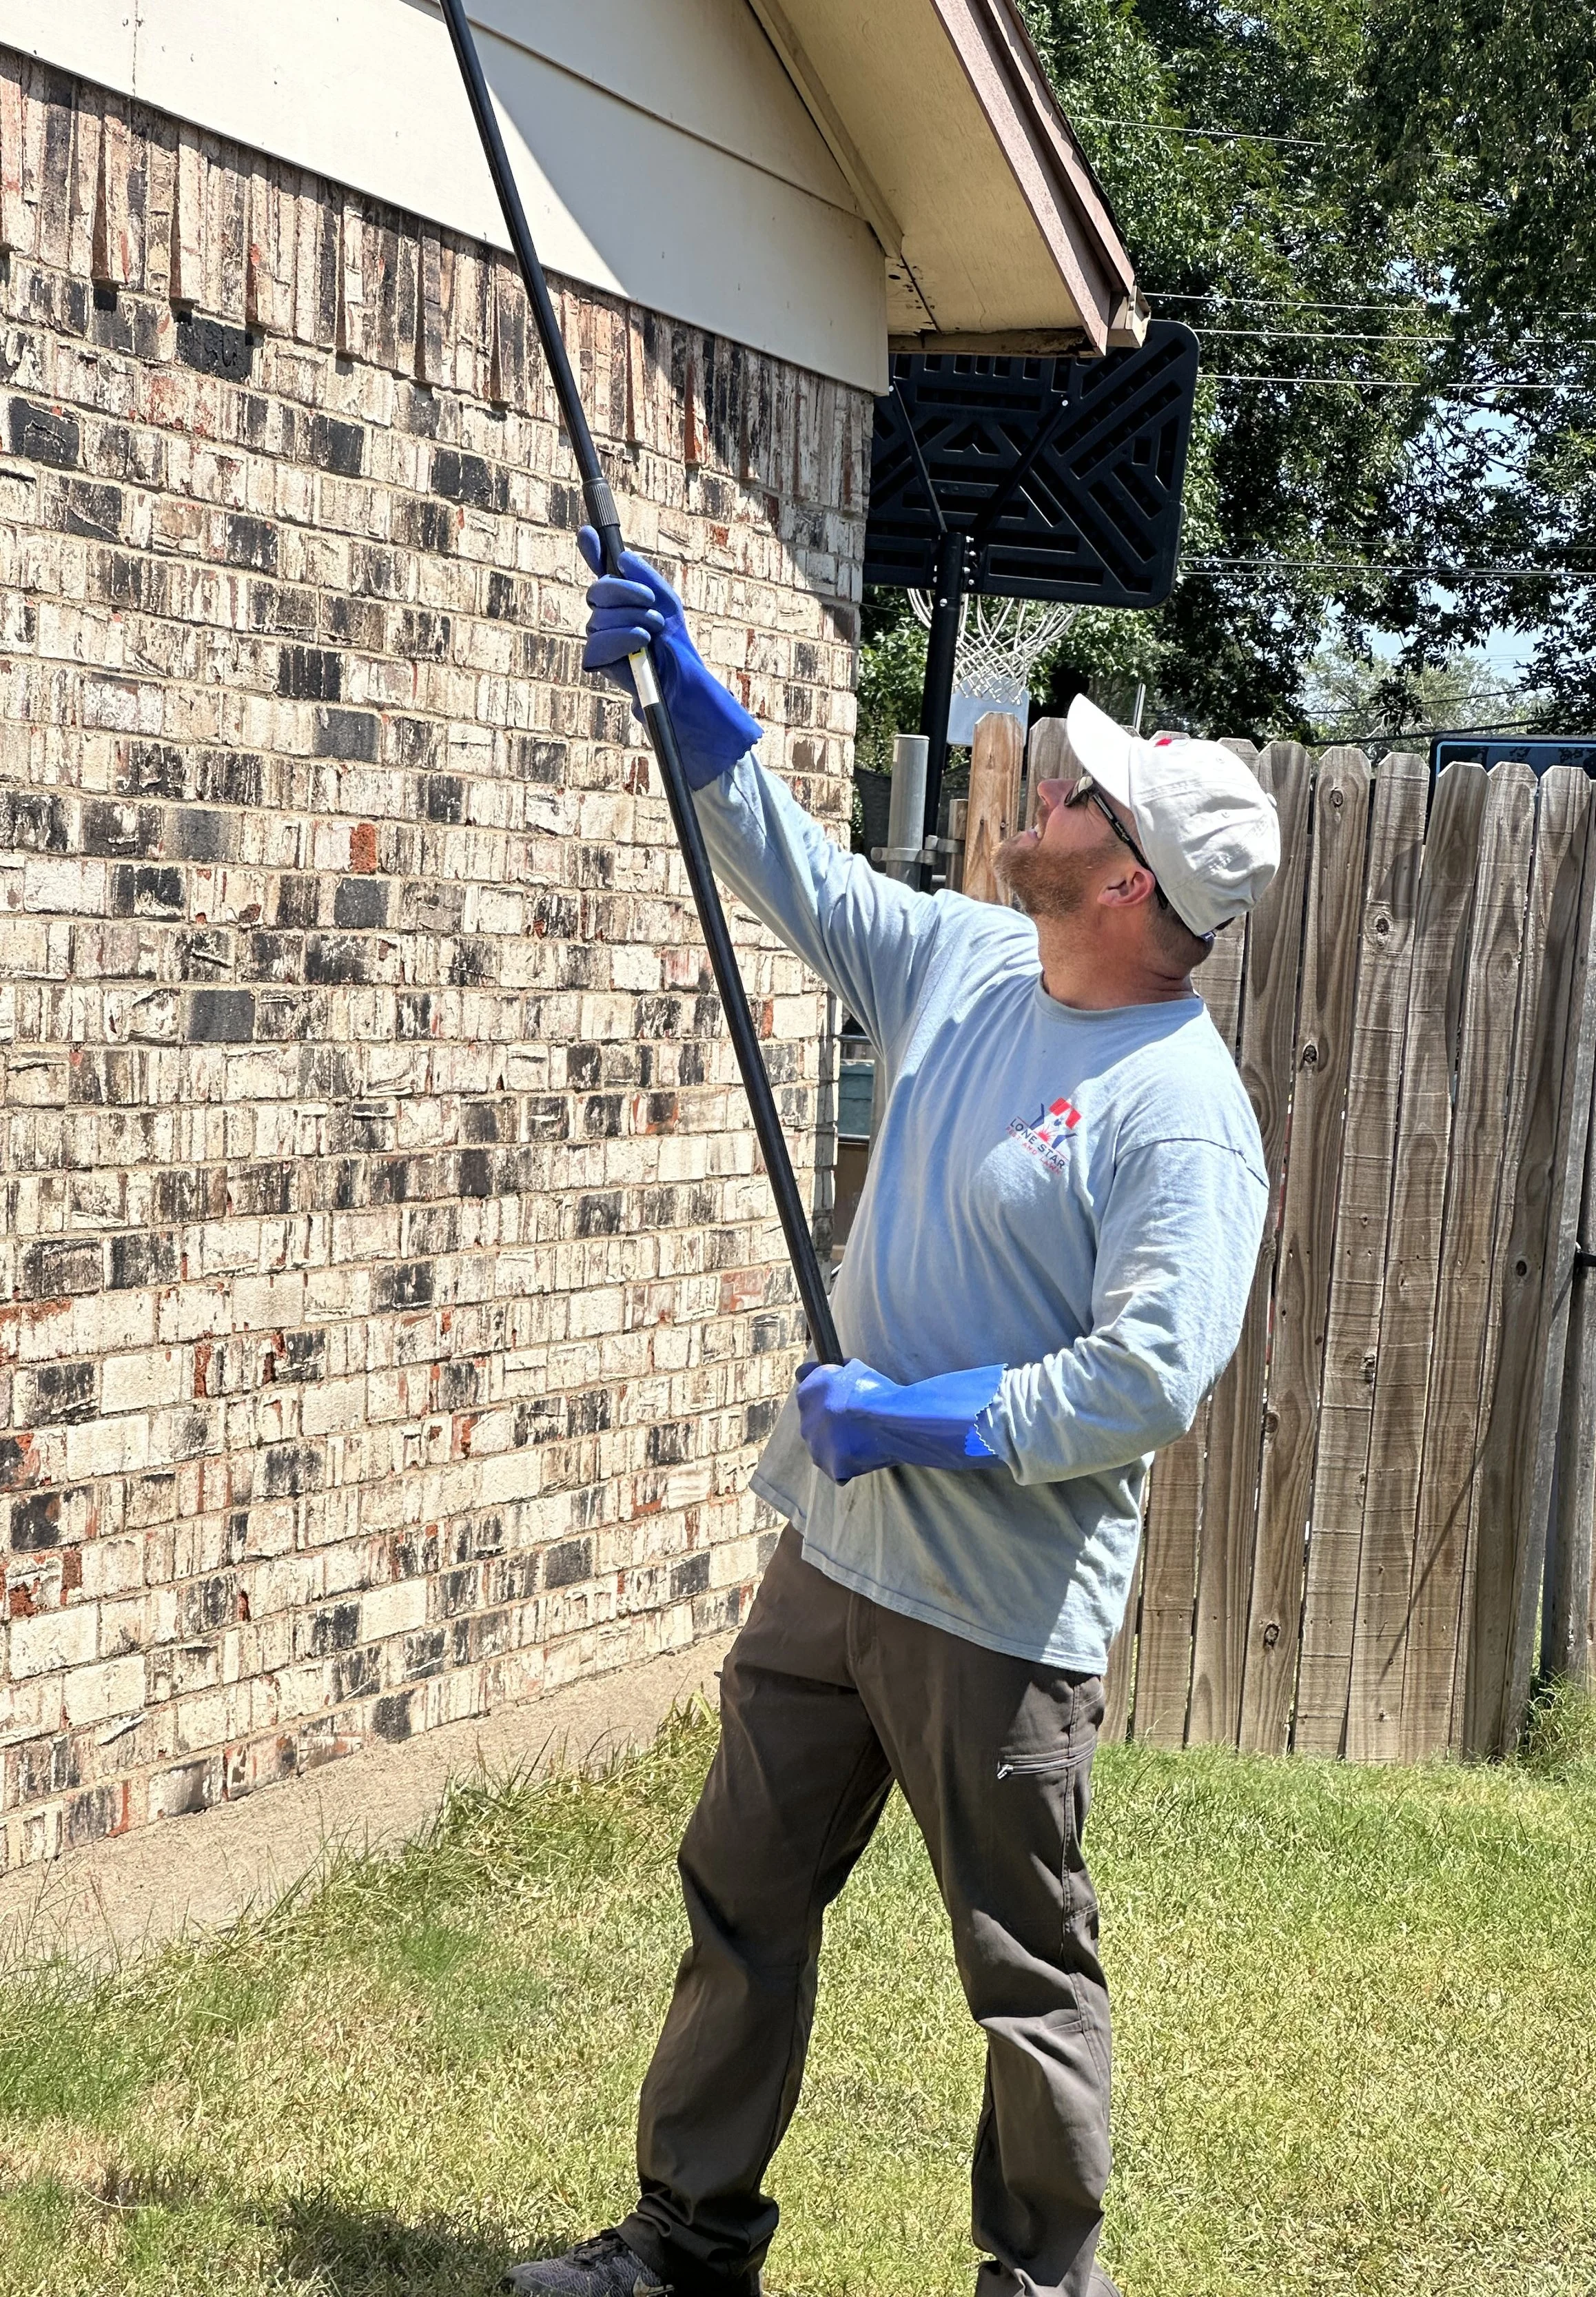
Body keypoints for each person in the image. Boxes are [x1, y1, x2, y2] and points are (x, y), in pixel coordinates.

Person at [502, 538, 1279, 2297]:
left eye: (1083, 795)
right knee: (739, 1904)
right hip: (829, 1566)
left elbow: (1144, 1379)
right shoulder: (973, 968)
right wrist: (688, 700)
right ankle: (685, 2245)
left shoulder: (1177, 1119)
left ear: (1131, 887)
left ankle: (1036, 2282)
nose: (1049, 785)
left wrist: (917, 1421)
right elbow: (802, 876)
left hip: (994, 1621)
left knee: (1021, 1969)